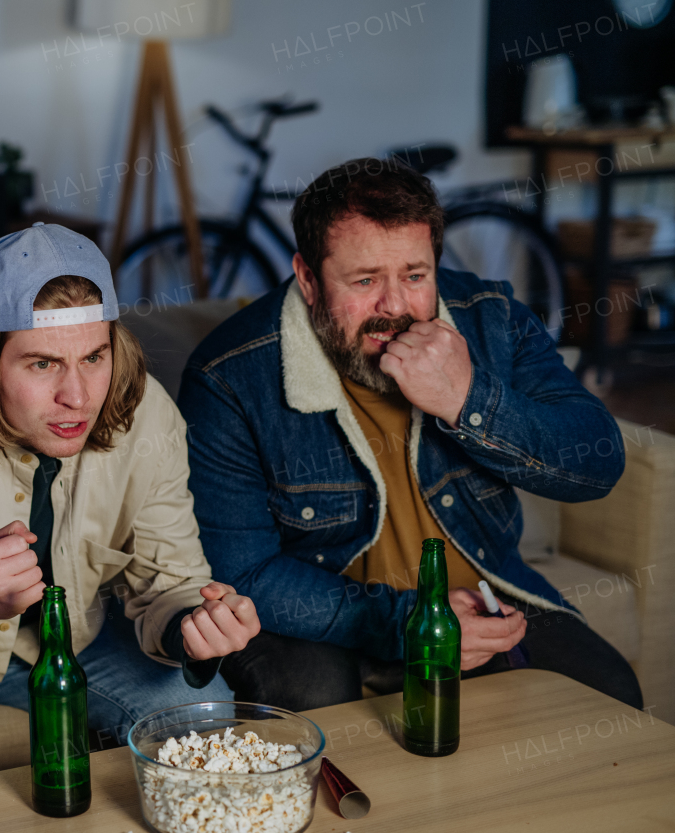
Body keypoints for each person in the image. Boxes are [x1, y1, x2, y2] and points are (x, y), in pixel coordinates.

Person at [179, 158, 643, 711]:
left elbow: (598, 464)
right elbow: (243, 570)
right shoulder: (229, 375)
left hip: (483, 604)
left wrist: (466, 402)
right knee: (310, 701)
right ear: (307, 278)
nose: (395, 306)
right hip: (320, 625)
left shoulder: (492, 319)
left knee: (609, 692)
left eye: (415, 276)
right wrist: (410, 622)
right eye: (366, 280)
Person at [0, 223, 260, 783]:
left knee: (206, 709)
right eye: (43, 364)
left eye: (94, 357)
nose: (78, 396)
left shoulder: (149, 416)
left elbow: (170, 582)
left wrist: (195, 624)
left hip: (81, 641)